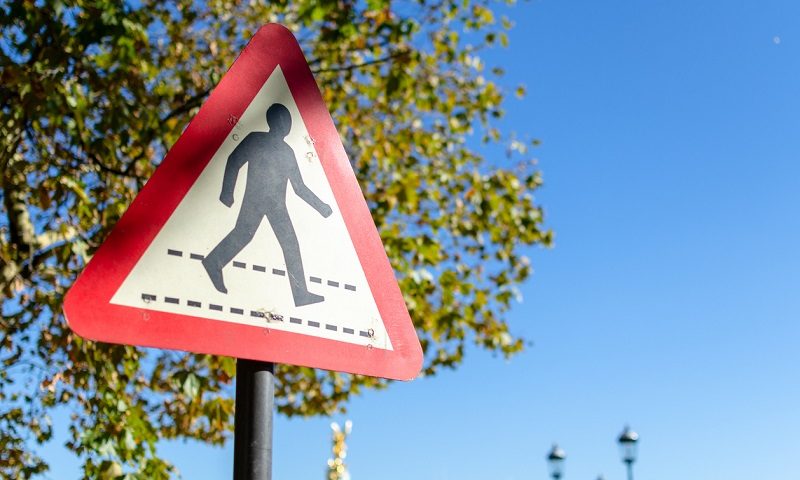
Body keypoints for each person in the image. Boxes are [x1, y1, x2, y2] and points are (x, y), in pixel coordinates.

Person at [203, 103, 331, 307]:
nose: (285, 125)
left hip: (277, 205)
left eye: (287, 122)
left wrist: (321, 206)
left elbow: (299, 187)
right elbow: (234, 159)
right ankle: (213, 262)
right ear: (273, 121)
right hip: (255, 199)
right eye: (283, 120)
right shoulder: (256, 139)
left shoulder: (287, 152)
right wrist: (227, 191)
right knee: (244, 235)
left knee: (288, 244)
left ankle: (300, 294)